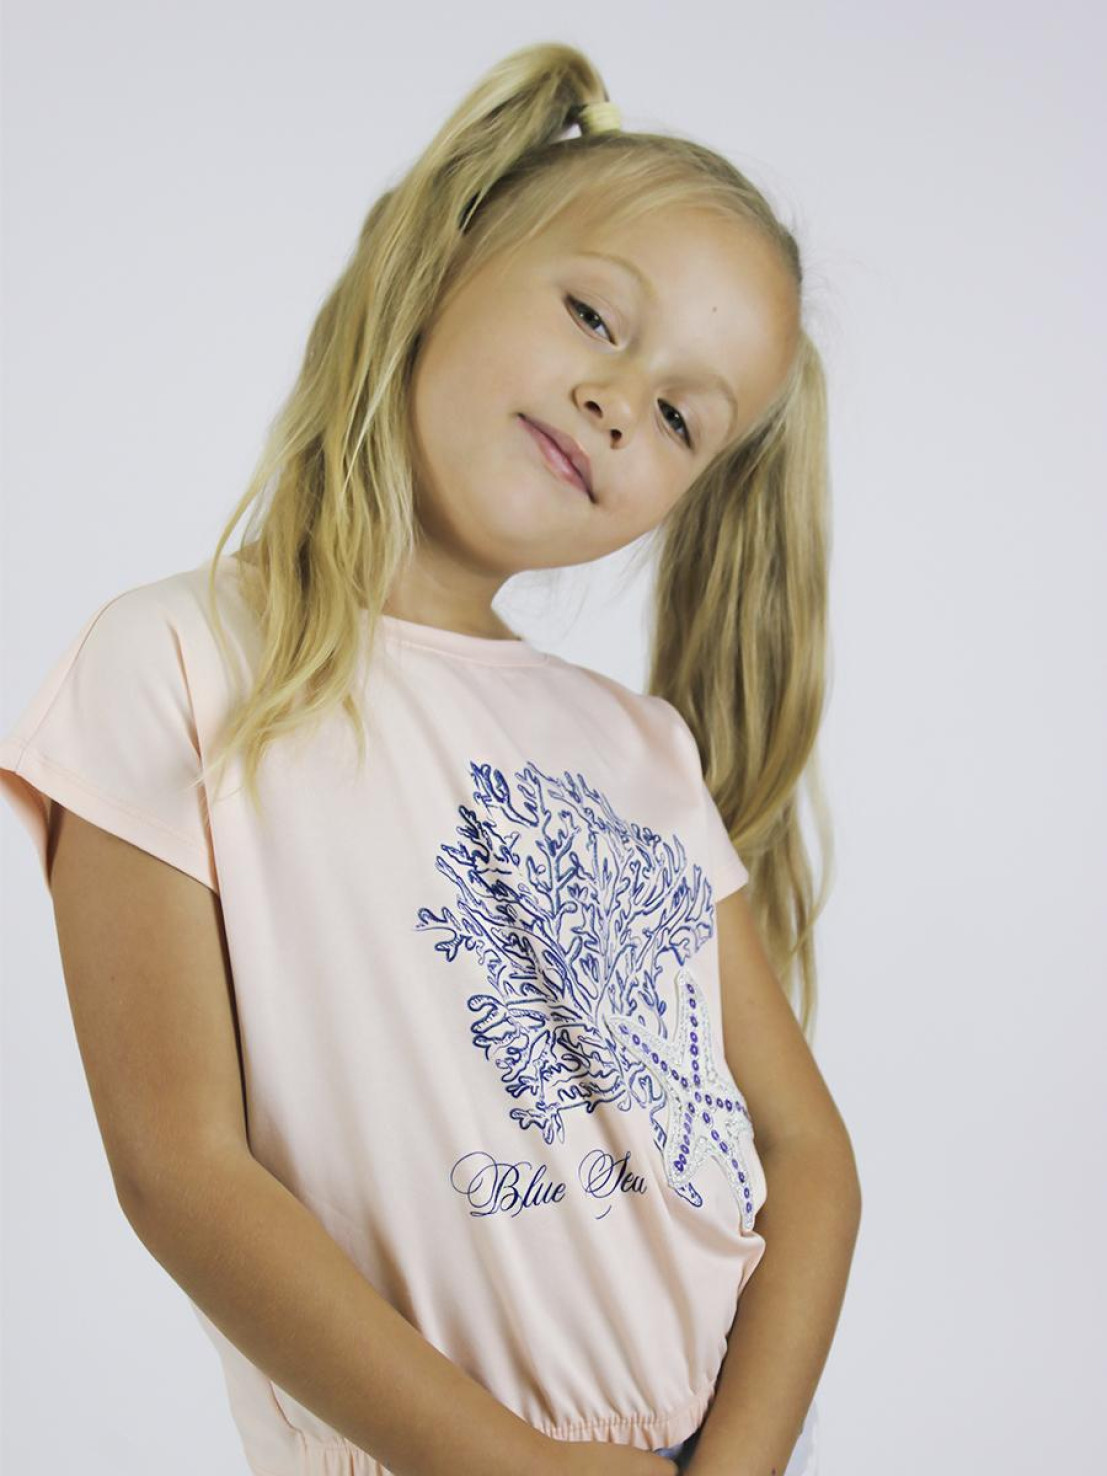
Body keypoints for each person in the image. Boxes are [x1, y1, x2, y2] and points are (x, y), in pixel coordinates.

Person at [0, 41, 860, 1476]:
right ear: (450, 253)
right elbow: (179, 1172)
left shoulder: (640, 748)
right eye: (594, 316)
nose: (617, 400)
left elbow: (806, 1154)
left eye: (678, 417)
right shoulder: (179, 666)